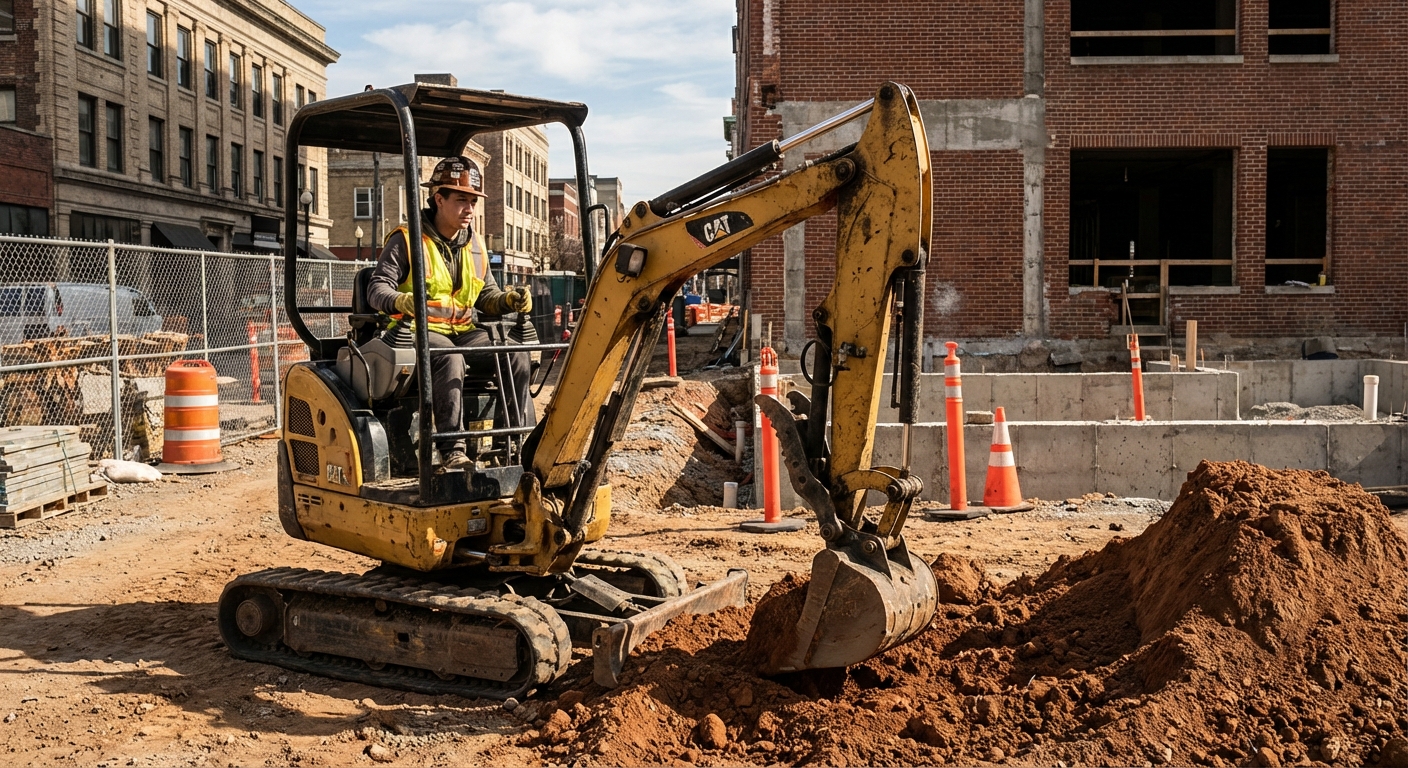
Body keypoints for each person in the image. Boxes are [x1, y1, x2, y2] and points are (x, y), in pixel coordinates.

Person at [366, 155, 533, 471]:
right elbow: (376, 289)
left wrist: (510, 299)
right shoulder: (407, 240)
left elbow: (486, 296)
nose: (470, 208)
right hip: (413, 334)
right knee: (450, 357)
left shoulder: (475, 245)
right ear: (438, 199)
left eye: (473, 201)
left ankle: (508, 445)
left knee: (515, 353)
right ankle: (453, 451)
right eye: (461, 200)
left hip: (462, 332)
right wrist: (400, 302)